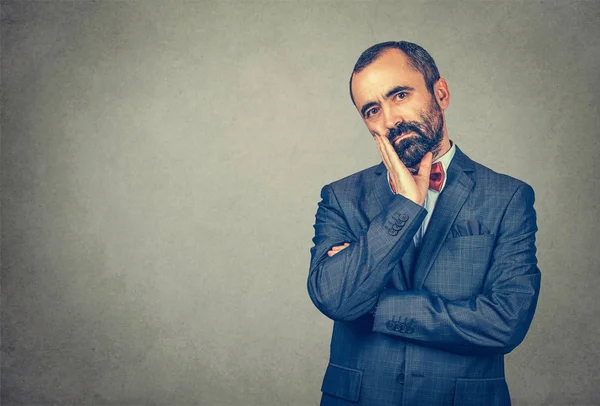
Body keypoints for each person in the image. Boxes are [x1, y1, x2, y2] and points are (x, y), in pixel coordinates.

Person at [307, 41, 541, 406]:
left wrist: (376, 306)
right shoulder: (341, 197)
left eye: (399, 95)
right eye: (372, 110)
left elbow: (505, 323)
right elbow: (334, 298)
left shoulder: (508, 197)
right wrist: (405, 206)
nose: (389, 119)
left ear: (441, 93)